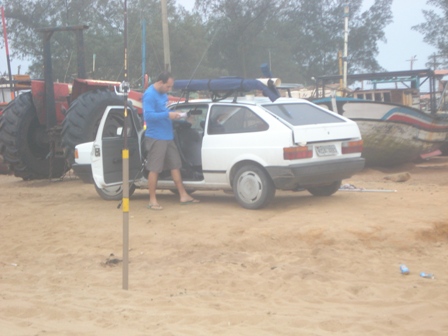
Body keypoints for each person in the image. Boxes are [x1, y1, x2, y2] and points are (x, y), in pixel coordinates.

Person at [143, 71, 200, 210]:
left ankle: (183, 195)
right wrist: (168, 114)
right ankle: (152, 200)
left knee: (175, 165)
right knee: (154, 168)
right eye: (168, 87)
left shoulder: (163, 94)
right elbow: (148, 116)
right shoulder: (149, 95)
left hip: (168, 135)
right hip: (156, 136)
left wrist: (182, 116)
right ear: (161, 82)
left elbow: (165, 113)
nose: (169, 90)